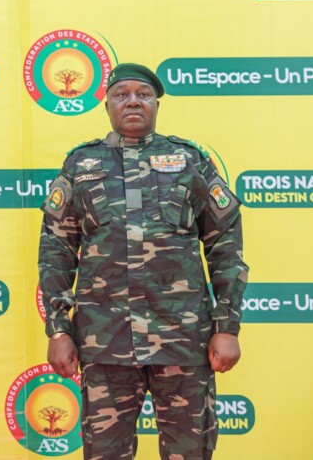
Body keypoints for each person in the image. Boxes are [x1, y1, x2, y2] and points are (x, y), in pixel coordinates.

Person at [38, 63, 249, 460]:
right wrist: (58, 331)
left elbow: (225, 247)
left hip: (183, 341)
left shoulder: (190, 160)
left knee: (191, 452)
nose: (133, 102)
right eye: (122, 95)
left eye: (143, 94)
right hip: (105, 343)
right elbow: (55, 253)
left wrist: (227, 328)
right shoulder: (80, 165)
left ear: (156, 104)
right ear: (107, 105)